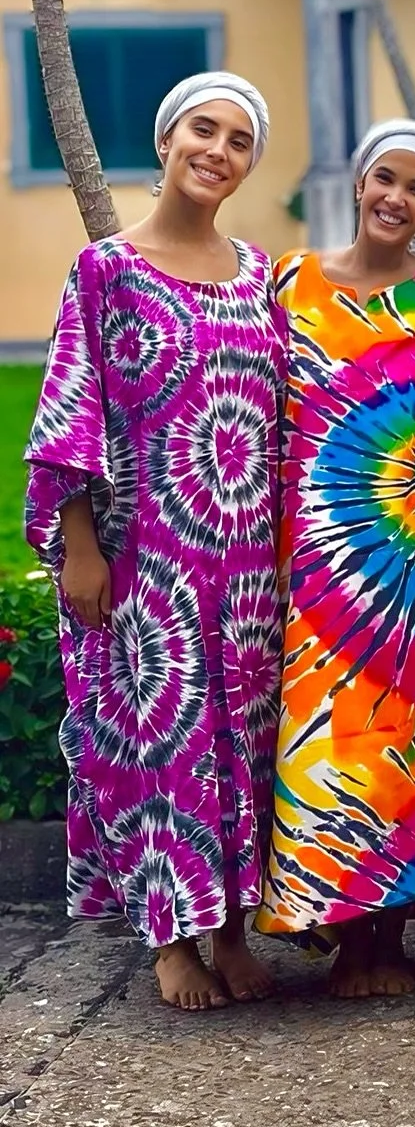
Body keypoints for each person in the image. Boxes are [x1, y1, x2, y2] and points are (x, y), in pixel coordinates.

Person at [25, 73, 285, 1012]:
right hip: (148, 559)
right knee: (158, 741)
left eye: (238, 140)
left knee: (241, 742)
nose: (218, 151)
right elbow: (68, 418)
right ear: (167, 140)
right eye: (202, 132)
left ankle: (230, 929)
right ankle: (170, 941)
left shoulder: (261, 277)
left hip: (248, 562)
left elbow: (281, 420)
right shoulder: (107, 270)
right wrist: (80, 547)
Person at [256, 121, 415, 996]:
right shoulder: (289, 283)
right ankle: (337, 919)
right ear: (361, 182)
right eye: (385, 181)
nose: (396, 200)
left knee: (412, 747)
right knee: (326, 746)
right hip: (321, 558)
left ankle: (387, 940)